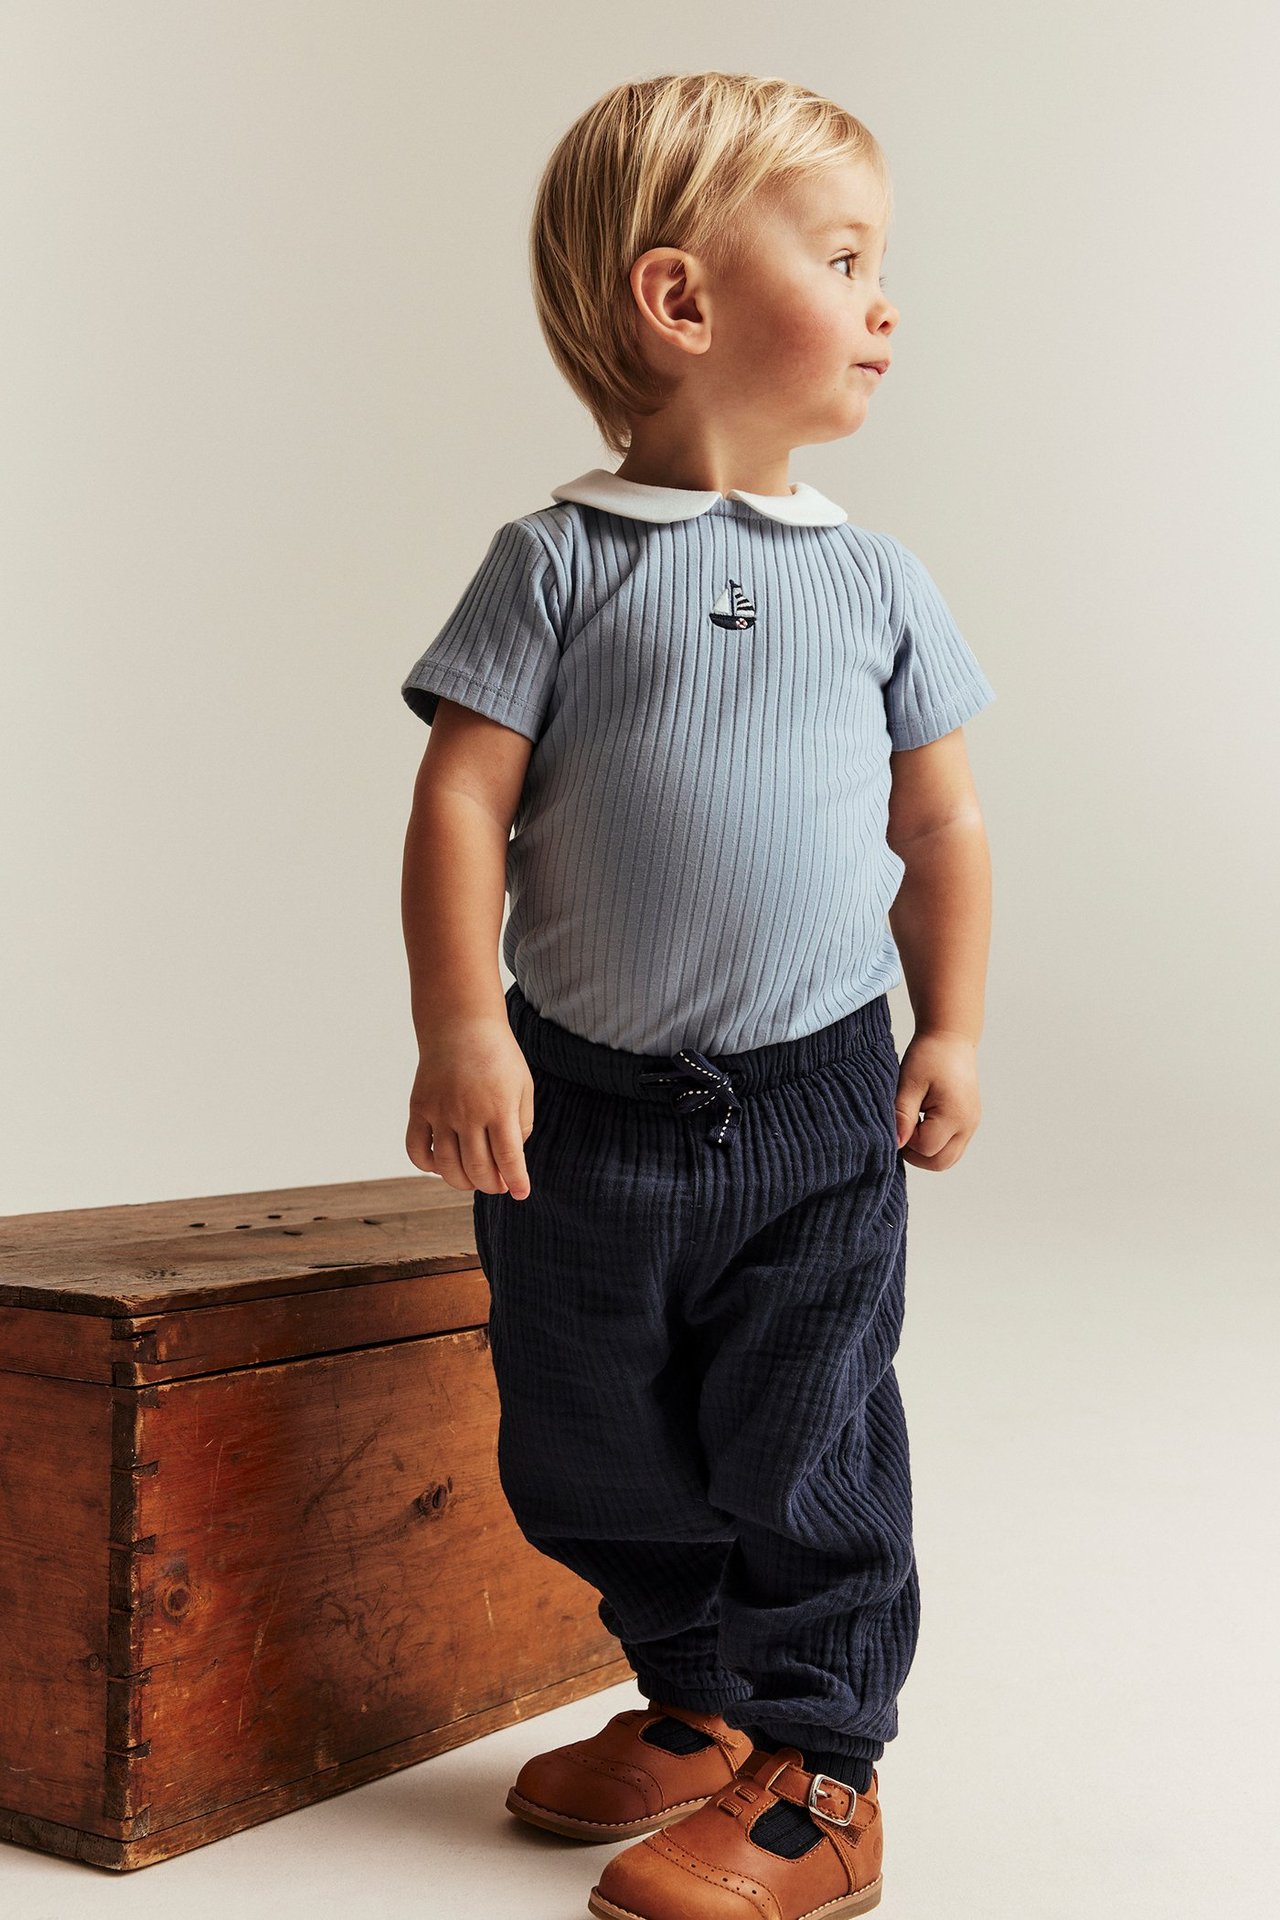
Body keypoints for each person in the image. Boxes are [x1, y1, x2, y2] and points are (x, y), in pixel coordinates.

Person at [399, 70, 996, 1920]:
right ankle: (697, 1700)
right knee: (588, 1430)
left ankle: (822, 1767)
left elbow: (944, 820)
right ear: (682, 302)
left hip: (817, 1105)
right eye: (841, 258)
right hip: (582, 1108)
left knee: (804, 1428)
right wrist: (462, 1028)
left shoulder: (879, 581)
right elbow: (462, 797)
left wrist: (955, 1024)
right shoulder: (561, 559)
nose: (885, 301)